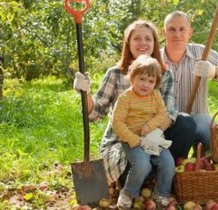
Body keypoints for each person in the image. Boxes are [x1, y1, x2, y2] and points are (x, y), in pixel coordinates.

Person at [73, 20, 196, 197]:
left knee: (186, 123)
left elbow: (169, 112)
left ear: (154, 43)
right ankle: (141, 179)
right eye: (136, 38)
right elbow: (95, 114)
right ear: (128, 43)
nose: (143, 43)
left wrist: (151, 137)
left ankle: (165, 177)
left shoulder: (164, 74)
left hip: (155, 137)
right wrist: (85, 93)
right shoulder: (115, 74)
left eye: (148, 38)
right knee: (137, 163)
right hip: (122, 141)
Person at [111, 55, 174, 209]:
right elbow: (117, 122)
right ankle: (128, 193)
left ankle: (161, 193)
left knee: (168, 163)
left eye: (151, 81)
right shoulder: (125, 98)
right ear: (132, 78)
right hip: (133, 140)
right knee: (142, 165)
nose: (146, 85)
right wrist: (134, 139)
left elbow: (162, 114)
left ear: (156, 83)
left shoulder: (155, 95)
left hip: (153, 138)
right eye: (142, 79)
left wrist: (149, 127)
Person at [161, 11, 218, 151]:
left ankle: (207, 164)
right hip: (164, 124)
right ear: (164, 33)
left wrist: (215, 71)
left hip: (198, 119)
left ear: (190, 32)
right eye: (172, 29)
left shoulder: (201, 53)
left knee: (209, 129)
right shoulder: (155, 59)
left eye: (182, 29)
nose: (177, 34)